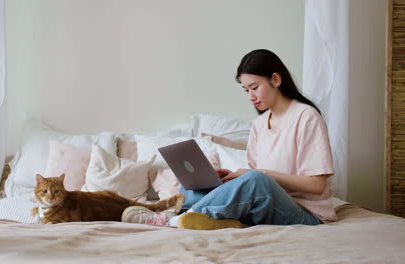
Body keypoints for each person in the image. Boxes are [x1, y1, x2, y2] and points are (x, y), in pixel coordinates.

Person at [121, 49, 336, 230]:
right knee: (194, 189)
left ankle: (172, 220)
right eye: (246, 90)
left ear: (276, 80)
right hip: (267, 206)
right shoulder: (260, 124)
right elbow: (255, 179)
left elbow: (317, 185)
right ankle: (193, 214)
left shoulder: (306, 116)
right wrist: (233, 178)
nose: (250, 97)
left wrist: (260, 175)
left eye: (254, 88)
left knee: (257, 181)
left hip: (306, 215)